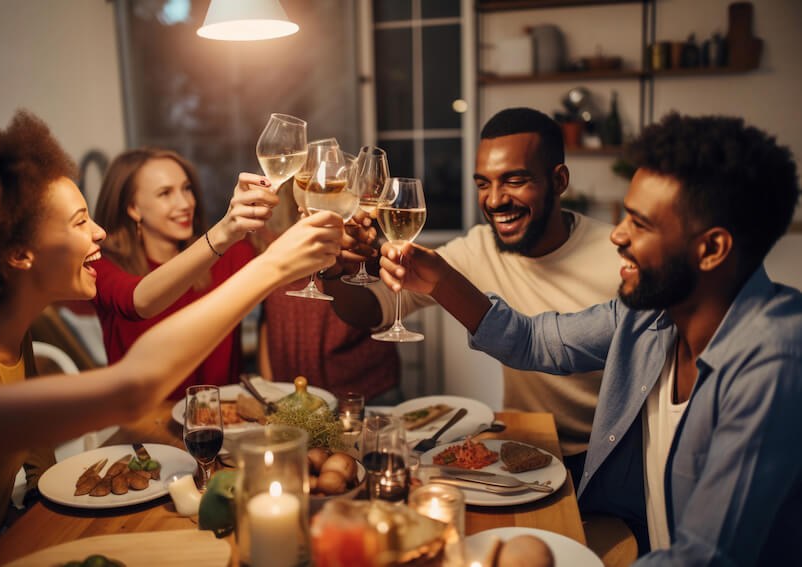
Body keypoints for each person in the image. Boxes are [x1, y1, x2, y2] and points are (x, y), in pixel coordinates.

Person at [378, 112, 801, 564]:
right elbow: (534, 341)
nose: (617, 235)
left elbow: (705, 557)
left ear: (712, 249)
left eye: (640, 223)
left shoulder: (774, 365)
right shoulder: (651, 314)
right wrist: (440, 280)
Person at [0, 111, 343, 565]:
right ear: (19, 253)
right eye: (79, 222)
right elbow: (134, 380)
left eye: (185, 189)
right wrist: (266, 263)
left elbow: (35, 475)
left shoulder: (12, 339)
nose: (98, 231)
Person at [326, 107, 620, 476]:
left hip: (608, 458)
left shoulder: (618, 256)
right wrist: (332, 269)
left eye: (514, 180)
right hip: (525, 448)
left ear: (559, 180)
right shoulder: (478, 248)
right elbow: (372, 311)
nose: (494, 200)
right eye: (483, 184)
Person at [91, 148, 276, 398]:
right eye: (165, 193)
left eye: (186, 188)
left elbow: (282, 258)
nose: (185, 203)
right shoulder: (102, 266)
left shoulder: (228, 256)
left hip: (222, 416)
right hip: (146, 419)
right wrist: (223, 232)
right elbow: (137, 299)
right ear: (133, 208)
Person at [249, 179, 400, 400]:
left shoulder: (341, 223)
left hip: (363, 390)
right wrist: (270, 387)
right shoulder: (266, 247)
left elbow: (372, 268)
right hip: (294, 392)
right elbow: (267, 320)